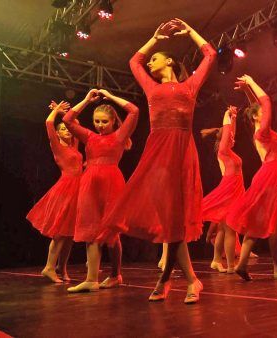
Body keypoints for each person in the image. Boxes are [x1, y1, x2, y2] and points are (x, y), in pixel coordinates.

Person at [99, 19, 216, 303]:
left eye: (156, 58)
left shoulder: (190, 86)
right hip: (157, 154)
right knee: (169, 220)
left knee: (174, 220)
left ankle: (169, 280)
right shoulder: (151, 88)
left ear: (170, 63)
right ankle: (189, 280)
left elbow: (210, 54)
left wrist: (190, 32)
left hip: (182, 153)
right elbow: (134, 61)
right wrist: (154, 38)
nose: (151, 62)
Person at [226, 74, 277, 281]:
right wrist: (251, 81)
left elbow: (256, 105)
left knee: (259, 221)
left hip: (266, 174)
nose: (264, 112)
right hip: (273, 174)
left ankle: (243, 265)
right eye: (261, 113)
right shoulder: (263, 132)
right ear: (257, 117)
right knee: (275, 221)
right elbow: (265, 100)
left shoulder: (258, 130)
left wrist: (247, 91)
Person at [63, 89, 139, 292]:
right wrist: (87, 99)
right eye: (97, 121)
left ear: (114, 121)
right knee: (90, 229)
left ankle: (115, 275)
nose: (99, 125)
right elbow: (69, 120)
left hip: (112, 184)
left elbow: (134, 111)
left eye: (104, 121)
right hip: (90, 184)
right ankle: (92, 279)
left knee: (112, 233)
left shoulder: (120, 135)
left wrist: (110, 96)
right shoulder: (89, 137)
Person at [27, 100, 80, 283]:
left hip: (78, 189)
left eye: (67, 129)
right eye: (63, 129)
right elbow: (49, 123)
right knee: (60, 233)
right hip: (65, 188)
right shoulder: (58, 147)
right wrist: (57, 111)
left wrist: (68, 114)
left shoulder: (74, 146)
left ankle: (62, 268)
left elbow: (76, 124)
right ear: (57, 134)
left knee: (70, 235)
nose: (67, 131)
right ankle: (49, 267)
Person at [200, 106, 244, 274]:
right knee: (230, 228)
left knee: (223, 229)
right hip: (229, 190)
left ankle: (216, 260)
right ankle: (232, 266)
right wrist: (226, 115)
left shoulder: (229, 151)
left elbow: (230, 131)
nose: (233, 137)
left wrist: (234, 117)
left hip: (235, 189)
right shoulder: (223, 150)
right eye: (230, 136)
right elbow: (227, 132)